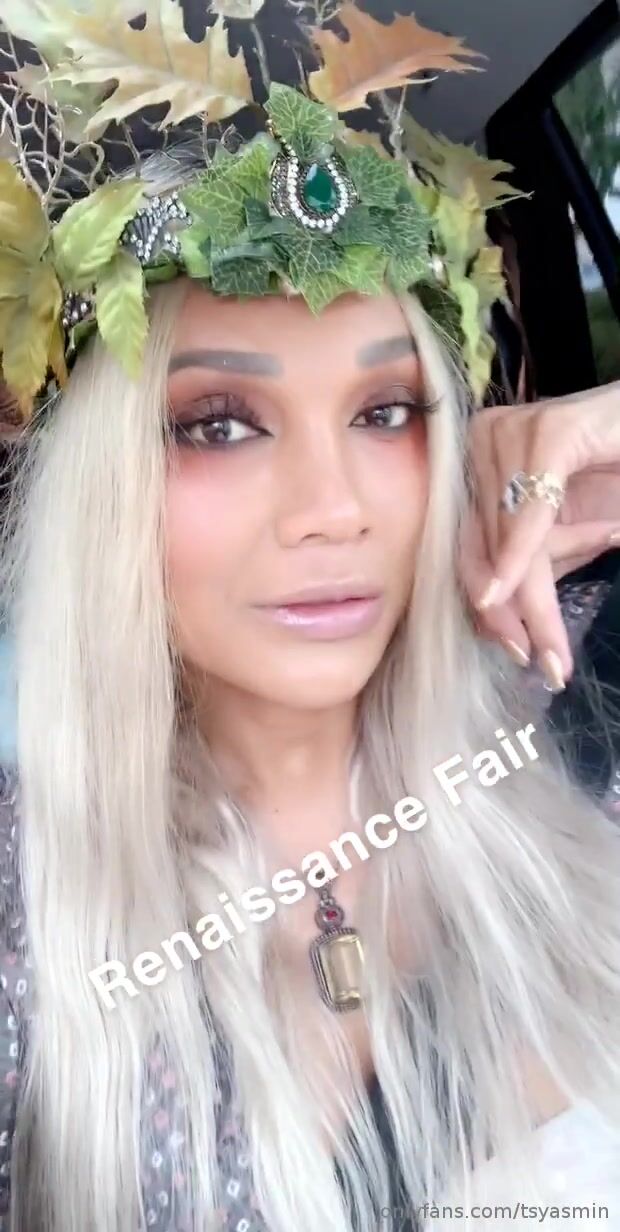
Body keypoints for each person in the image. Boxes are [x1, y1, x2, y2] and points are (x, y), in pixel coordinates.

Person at [0, 6, 619, 1232]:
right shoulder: (29, 920)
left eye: (385, 412)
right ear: (101, 490)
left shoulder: (574, 691)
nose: (332, 508)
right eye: (219, 423)